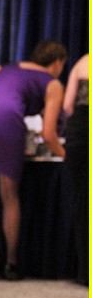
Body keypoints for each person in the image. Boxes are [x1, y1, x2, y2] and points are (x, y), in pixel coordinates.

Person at [0, 39, 66, 280]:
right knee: (9, 195)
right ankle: (11, 263)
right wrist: (66, 157)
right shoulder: (52, 83)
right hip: (8, 121)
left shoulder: (4, 68)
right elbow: (48, 134)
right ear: (58, 63)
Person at [63, 53, 88, 285]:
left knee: (83, 202)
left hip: (79, 131)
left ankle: (85, 272)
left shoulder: (82, 63)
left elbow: (68, 105)